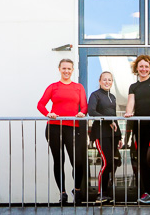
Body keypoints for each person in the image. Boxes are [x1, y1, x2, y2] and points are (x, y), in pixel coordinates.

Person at [37, 58, 87, 204]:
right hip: (54, 128)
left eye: (69, 69)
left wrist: (82, 113)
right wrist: (48, 113)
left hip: (73, 128)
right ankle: (63, 193)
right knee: (59, 161)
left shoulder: (78, 87)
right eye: (63, 68)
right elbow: (40, 104)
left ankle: (77, 191)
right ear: (59, 69)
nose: (66, 71)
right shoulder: (53, 87)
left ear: (72, 70)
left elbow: (84, 106)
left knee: (77, 161)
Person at [124, 54, 150, 204]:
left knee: (149, 158)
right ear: (136, 68)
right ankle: (148, 192)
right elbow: (131, 102)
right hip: (139, 126)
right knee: (142, 160)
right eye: (141, 66)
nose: (144, 69)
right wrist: (128, 112)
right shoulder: (133, 86)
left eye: (146, 67)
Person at [87, 71, 122, 203]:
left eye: (110, 80)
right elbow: (92, 112)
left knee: (111, 163)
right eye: (105, 80)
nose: (107, 82)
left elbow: (114, 117)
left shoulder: (112, 97)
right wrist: (108, 121)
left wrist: (120, 137)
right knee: (106, 162)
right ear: (100, 81)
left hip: (113, 135)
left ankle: (107, 192)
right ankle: (100, 193)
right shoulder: (95, 95)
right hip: (101, 133)